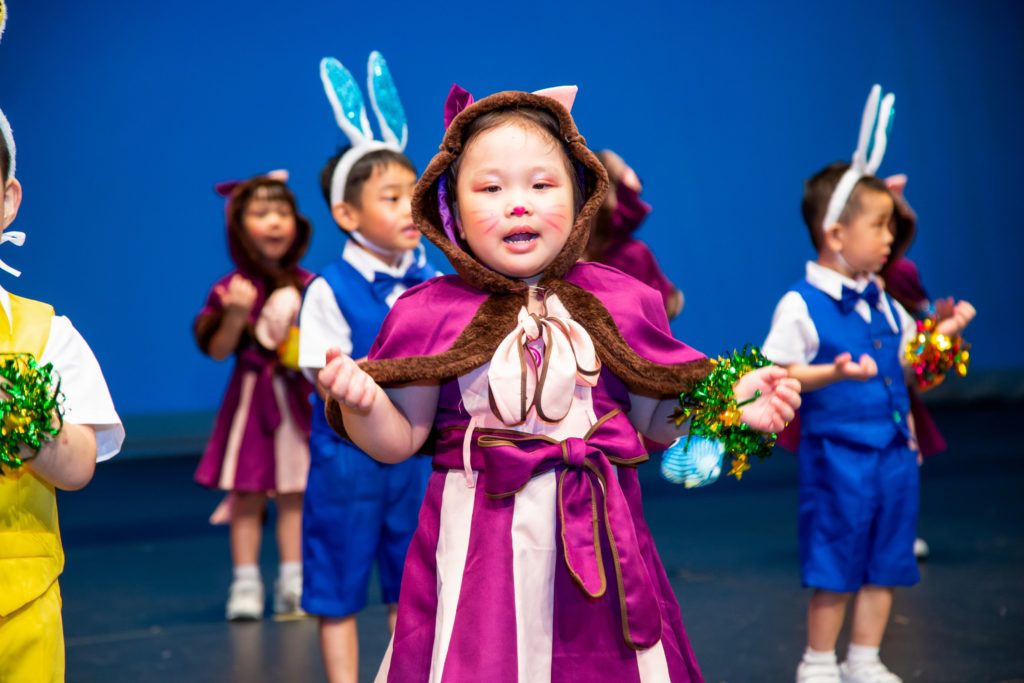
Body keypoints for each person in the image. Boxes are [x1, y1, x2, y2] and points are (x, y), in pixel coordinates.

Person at [319, 83, 800, 681]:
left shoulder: (622, 301)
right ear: (451, 212)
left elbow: (654, 423)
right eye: (490, 189)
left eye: (542, 185)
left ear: (581, 198)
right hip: (478, 555)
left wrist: (725, 408)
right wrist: (364, 404)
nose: (518, 205)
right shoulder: (427, 315)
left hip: (603, 542)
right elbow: (399, 442)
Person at [762, 86, 974, 683]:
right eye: (879, 226)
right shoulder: (801, 305)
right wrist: (830, 372)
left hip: (894, 456)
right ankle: (818, 661)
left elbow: (911, 368)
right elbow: (774, 372)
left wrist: (941, 337)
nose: (889, 240)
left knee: (888, 561)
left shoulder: (884, 300)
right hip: (838, 459)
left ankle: (865, 658)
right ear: (836, 235)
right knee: (835, 564)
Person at [298, 53, 438, 683]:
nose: (411, 209)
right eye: (392, 198)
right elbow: (321, 376)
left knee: (414, 581)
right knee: (339, 582)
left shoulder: (435, 281)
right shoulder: (329, 288)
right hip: (348, 464)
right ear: (347, 215)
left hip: (417, 460)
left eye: (417, 195)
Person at [0, 45, 125, 680]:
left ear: (7, 200)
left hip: (18, 611)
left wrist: (30, 427)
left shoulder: (47, 333)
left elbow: (78, 465)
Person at [193, 170, 314, 621]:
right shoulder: (231, 289)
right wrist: (235, 315)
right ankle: (245, 581)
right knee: (246, 494)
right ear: (239, 226)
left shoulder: (308, 284)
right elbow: (218, 349)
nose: (275, 222)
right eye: (261, 213)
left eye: (282, 212)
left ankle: (293, 580)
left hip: (296, 401)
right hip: (250, 403)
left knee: (294, 493)